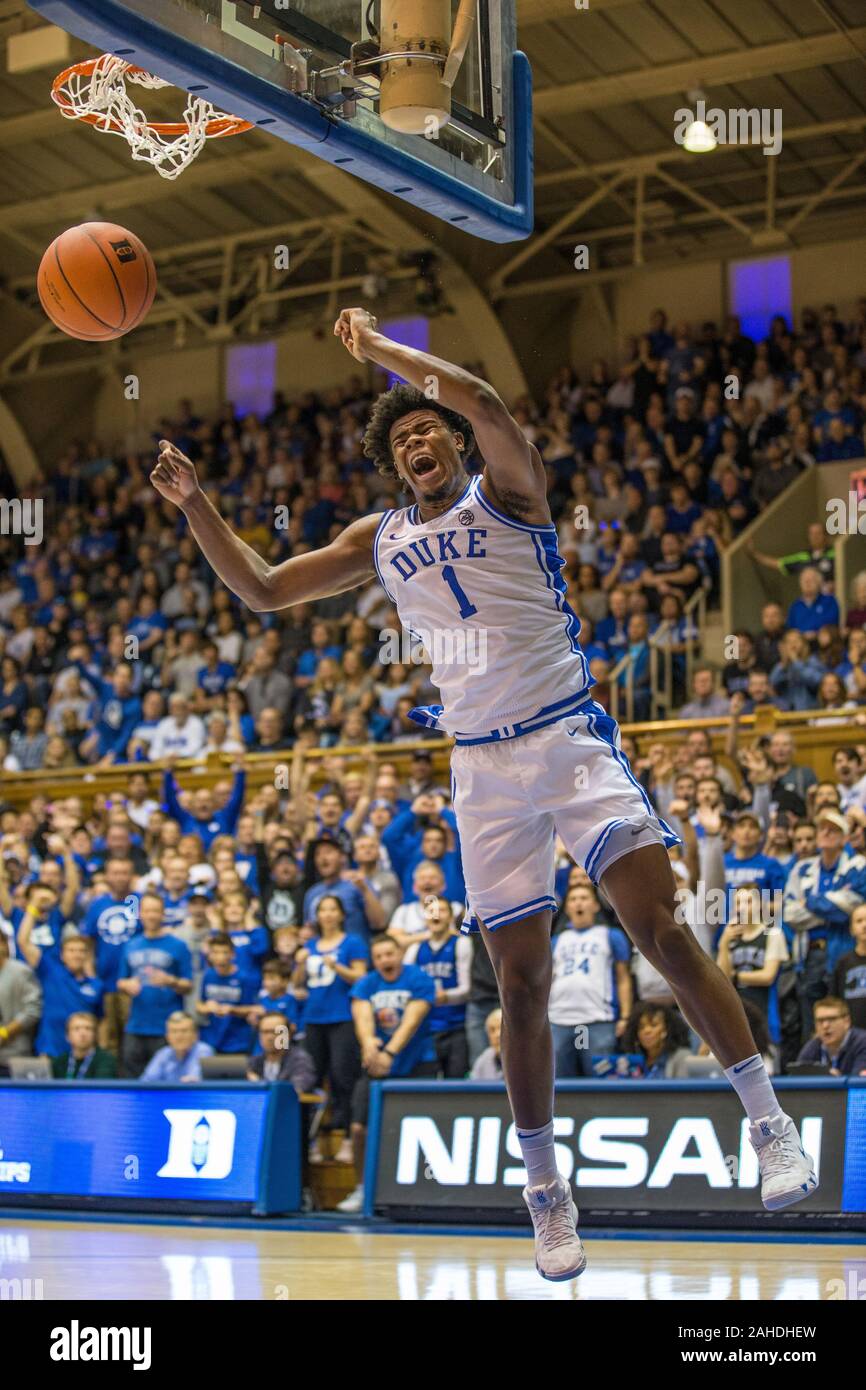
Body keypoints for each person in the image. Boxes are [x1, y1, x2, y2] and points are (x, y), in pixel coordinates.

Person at [151, 307, 817, 1281]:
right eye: (403, 438)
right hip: (480, 768)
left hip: (569, 741)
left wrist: (382, 354)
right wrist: (194, 506)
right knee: (517, 984)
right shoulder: (376, 539)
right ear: (392, 466)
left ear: (453, 441)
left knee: (661, 929)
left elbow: (487, 397)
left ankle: (766, 1122)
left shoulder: (510, 493)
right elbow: (259, 588)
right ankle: (544, 1188)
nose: (418, 440)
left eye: (428, 428)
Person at [338, 934, 436, 1214]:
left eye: (389, 954)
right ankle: (361, 1188)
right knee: (358, 1129)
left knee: (418, 1129)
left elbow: (412, 1020)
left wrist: (389, 1054)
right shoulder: (367, 983)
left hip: (416, 1064)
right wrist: (369, 1044)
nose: (385, 960)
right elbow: (363, 1017)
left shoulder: (418, 978)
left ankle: (419, 1190)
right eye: (379, 956)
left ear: (399, 955)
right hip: (375, 1066)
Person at [292, 893, 367, 1164]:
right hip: (313, 1019)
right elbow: (298, 985)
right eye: (322, 910)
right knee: (309, 1079)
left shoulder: (352, 942)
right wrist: (299, 964)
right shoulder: (310, 945)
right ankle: (307, 1143)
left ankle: (347, 1137)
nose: (327, 914)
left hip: (343, 1017)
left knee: (344, 1077)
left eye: (332, 909)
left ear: (341, 914)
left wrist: (338, 967)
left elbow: (361, 975)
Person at [548, 884, 632, 1078]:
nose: (579, 903)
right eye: (573, 899)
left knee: (602, 1085)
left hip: (598, 1020)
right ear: (567, 907)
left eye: (584, 898)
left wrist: (625, 1016)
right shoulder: (556, 941)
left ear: (595, 905)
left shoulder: (612, 935)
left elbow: (623, 978)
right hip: (559, 1020)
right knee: (557, 1087)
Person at [116, 891, 193, 1078]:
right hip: (135, 1026)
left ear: (163, 913)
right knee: (133, 1080)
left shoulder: (178, 946)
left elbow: (188, 984)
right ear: (140, 913)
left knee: (165, 1082)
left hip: (167, 1028)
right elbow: (120, 981)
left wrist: (170, 981)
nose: (151, 915)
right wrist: (127, 985)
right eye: (147, 911)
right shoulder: (131, 945)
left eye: (156, 911)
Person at [17, 915, 104, 1058]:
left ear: (87, 956)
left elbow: (101, 1021)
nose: (77, 955)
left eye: (81, 951)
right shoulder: (50, 972)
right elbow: (23, 941)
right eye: (71, 950)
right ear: (62, 956)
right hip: (50, 1051)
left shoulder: (97, 985)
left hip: (82, 1054)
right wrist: (33, 908)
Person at [403, 895, 471, 1078]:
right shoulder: (414, 949)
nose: (436, 915)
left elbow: (467, 988)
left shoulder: (461, 944)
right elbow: (406, 987)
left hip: (455, 1026)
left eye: (442, 911)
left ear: (450, 917)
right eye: (431, 911)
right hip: (424, 1029)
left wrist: (446, 996)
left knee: (456, 1083)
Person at [716, 884, 789, 1048]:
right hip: (735, 1012)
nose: (742, 907)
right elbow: (722, 979)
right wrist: (723, 944)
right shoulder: (730, 937)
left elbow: (768, 976)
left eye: (748, 902)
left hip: (764, 1012)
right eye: (738, 903)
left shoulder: (773, 934)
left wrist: (735, 977)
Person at [198, 933, 258, 1054]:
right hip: (210, 1040)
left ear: (232, 954)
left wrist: (232, 1010)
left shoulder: (245, 978)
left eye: (224, 952)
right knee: (210, 1072)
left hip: (237, 1042)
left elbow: (255, 1008)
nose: (220, 957)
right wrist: (207, 1007)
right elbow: (199, 1005)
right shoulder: (208, 975)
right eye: (215, 952)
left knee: (232, 1072)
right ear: (210, 955)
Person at [0, 929, 42, 1070]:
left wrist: (5, 1032)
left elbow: (33, 1010)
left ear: (5, 945)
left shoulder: (20, 971)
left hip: (14, 1054)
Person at [246, 1012, 316, 1091]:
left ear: (289, 1034)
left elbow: (298, 1088)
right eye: (265, 1032)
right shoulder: (254, 1061)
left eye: (276, 1032)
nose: (270, 1037)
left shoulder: (300, 1060)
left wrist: (258, 1084)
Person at [620, 1002, 693, 1078]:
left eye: (653, 1025)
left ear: (666, 1029)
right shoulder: (632, 1060)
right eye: (641, 1027)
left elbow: (683, 1088)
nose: (647, 1031)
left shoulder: (681, 1057)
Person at [796, 998, 866, 1076]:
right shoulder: (812, 1047)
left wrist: (837, 1080)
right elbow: (797, 1080)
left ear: (847, 1022)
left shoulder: (862, 1043)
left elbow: (859, 1083)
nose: (825, 1026)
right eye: (820, 1020)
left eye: (832, 1019)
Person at [141, 1011, 214, 1082]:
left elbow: (192, 1082)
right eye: (174, 1031)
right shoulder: (163, 1053)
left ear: (195, 1035)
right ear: (167, 1036)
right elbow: (146, 1082)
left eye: (184, 1031)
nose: (179, 1036)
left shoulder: (203, 1051)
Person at [50, 1011, 117, 1079]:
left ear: (95, 1035)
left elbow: (102, 1088)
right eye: (77, 1028)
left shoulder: (106, 1060)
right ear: (68, 1036)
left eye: (88, 1028)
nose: (83, 1033)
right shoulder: (59, 1062)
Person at [831, 902, 866, 1028]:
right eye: (859, 921)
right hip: (852, 1032)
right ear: (851, 929)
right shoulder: (843, 963)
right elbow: (835, 1000)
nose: (864, 925)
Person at [469, 1006, 503, 1080]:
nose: (497, 1035)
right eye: (492, 1030)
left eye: (501, 1028)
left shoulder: (525, 1059)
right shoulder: (483, 1060)